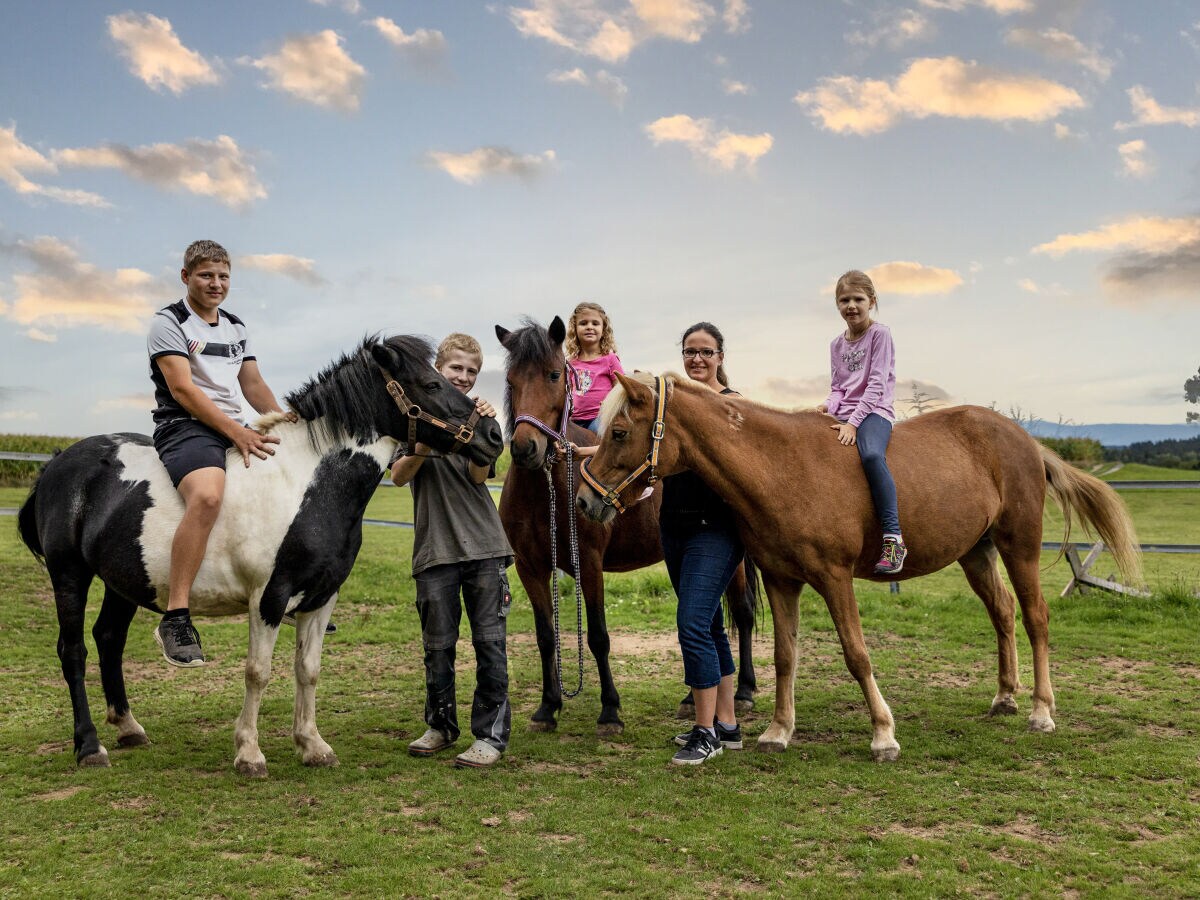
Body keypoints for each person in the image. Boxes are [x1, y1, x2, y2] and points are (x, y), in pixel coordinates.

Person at [147, 239, 291, 666]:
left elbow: (252, 385)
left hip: (234, 427)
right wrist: (236, 432)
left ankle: (293, 593)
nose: (216, 284)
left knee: (294, 484)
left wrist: (286, 423)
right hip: (185, 425)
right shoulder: (168, 321)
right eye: (206, 275)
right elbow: (183, 389)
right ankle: (175, 616)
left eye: (223, 276)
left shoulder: (235, 325)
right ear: (186, 277)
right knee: (208, 496)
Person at [390, 333, 513, 768]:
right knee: (437, 646)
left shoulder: (480, 419)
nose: (463, 377)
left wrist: (482, 428)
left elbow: (481, 476)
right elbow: (399, 476)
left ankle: (491, 737)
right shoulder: (414, 417)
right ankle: (441, 726)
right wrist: (423, 448)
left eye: (471, 372)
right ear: (438, 370)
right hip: (434, 550)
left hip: (484, 546)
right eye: (455, 368)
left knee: (489, 643)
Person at [660, 322, 745, 765]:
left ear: (721, 357)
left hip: (717, 530)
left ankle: (705, 730)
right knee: (710, 626)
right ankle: (728, 726)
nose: (697, 359)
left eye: (706, 352)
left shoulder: (734, 408)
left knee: (692, 624)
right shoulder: (672, 406)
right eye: (690, 351)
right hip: (673, 526)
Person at [817, 269, 907, 575]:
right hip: (844, 414)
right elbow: (838, 387)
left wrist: (853, 423)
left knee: (870, 455)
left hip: (874, 412)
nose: (851, 306)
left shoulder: (880, 335)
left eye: (858, 299)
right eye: (844, 300)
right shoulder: (836, 344)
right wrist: (826, 407)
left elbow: (876, 384)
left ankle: (893, 538)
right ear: (837, 305)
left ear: (872, 301)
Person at [565, 301, 624, 433]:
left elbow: (621, 389)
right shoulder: (570, 363)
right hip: (574, 420)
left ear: (603, 330)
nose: (589, 327)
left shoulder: (609, 359)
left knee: (601, 437)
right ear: (574, 328)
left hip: (599, 418)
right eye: (583, 323)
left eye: (595, 323)